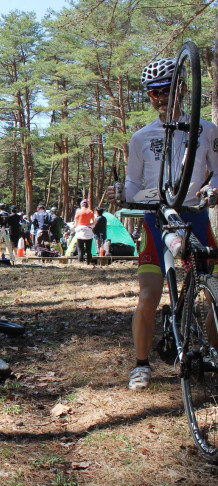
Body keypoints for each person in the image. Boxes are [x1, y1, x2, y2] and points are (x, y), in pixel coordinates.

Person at [108, 57, 218, 390]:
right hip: (156, 220)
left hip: (195, 216)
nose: (160, 97)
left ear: (183, 89)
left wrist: (213, 190)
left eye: (167, 90)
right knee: (149, 295)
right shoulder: (141, 137)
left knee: (214, 295)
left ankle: (213, 353)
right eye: (154, 92)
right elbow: (132, 184)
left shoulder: (207, 130)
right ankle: (141, 365)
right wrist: (119, 193)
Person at [73, 199, 95, 264]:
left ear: (81, 205)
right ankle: (88, 263)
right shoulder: (90, 212)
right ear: (87, 205)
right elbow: (94, 222)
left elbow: (76, 223)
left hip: (80, 232)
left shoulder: (78, 212)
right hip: (88, 232)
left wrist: (74, 226)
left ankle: (80, 263)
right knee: (88, 250)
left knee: (80, 250)